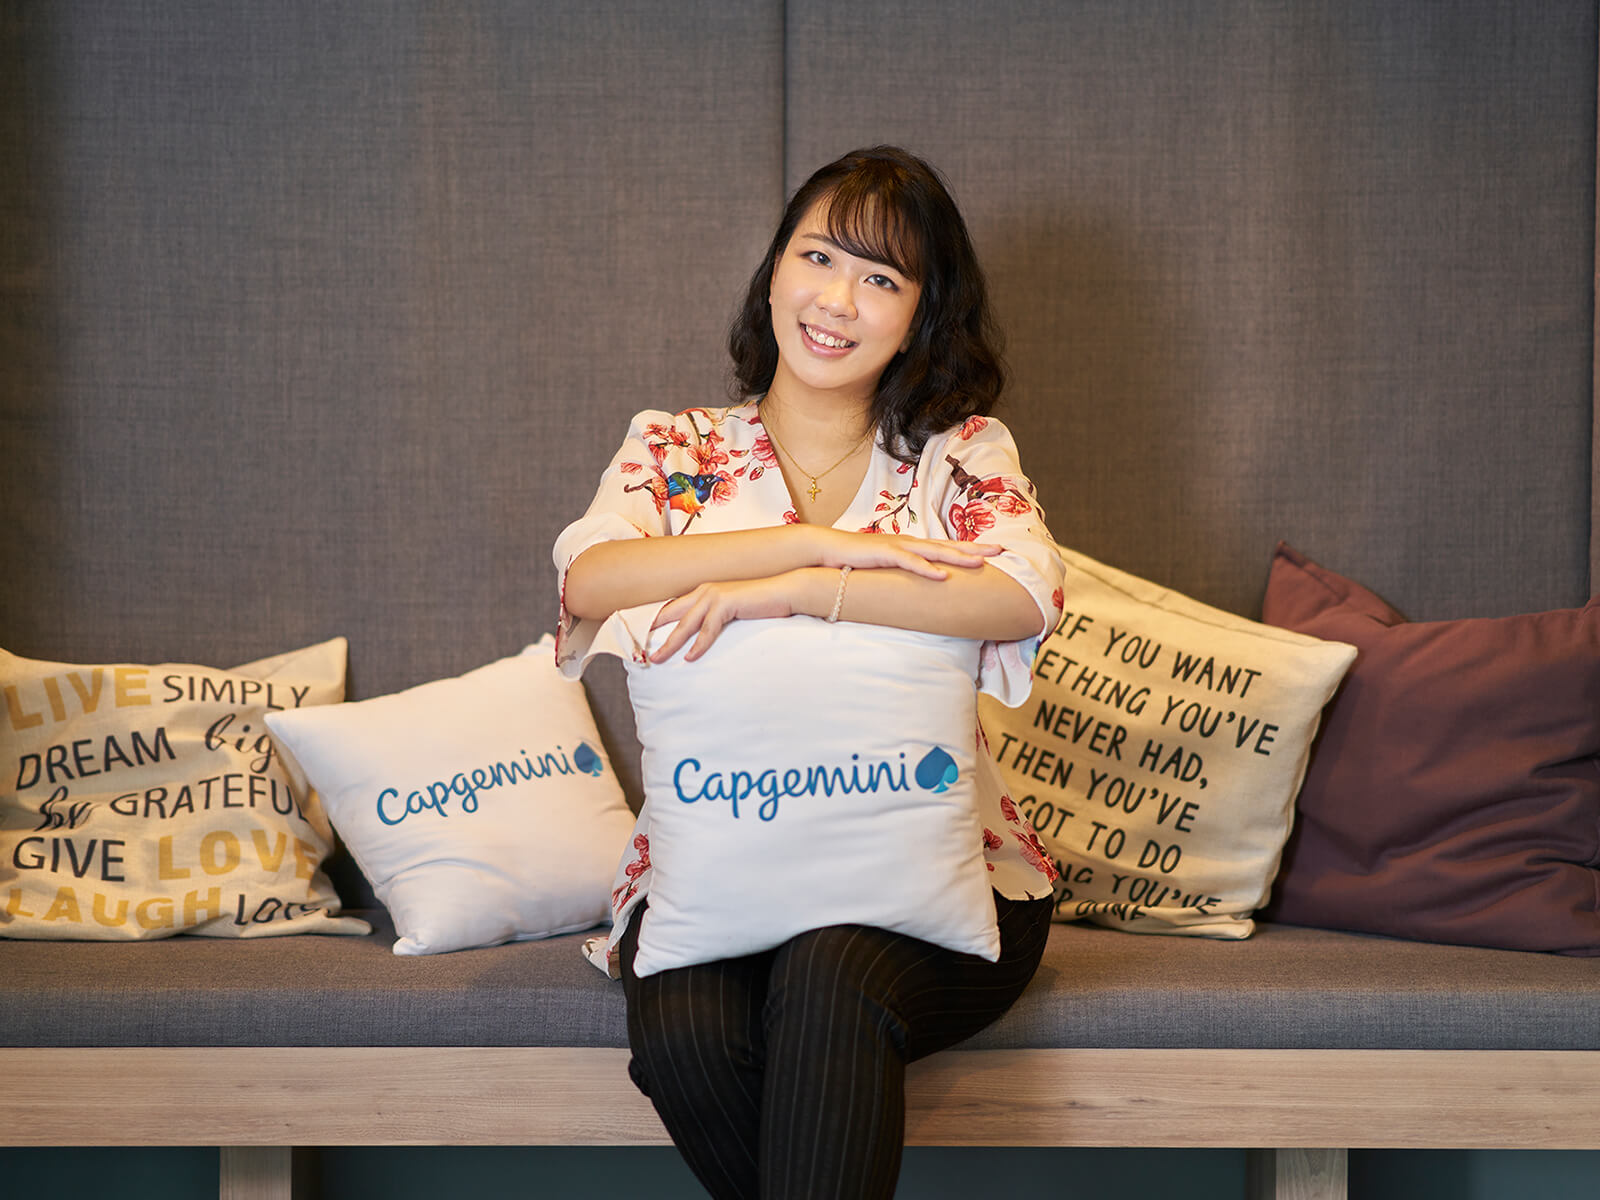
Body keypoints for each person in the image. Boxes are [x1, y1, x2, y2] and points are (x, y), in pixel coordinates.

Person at [553, 145, 1065, 1199]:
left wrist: (799, 594)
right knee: (687, 1040)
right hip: (711, 868)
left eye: (881, 278)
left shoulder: (955, 456)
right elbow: (596, 575)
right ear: (774, 269)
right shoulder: (678, 449)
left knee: (832, 975)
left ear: (923, 312)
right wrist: (798, 545)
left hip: (943, 878)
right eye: (818, 256)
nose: (837, 300)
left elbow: (1021, 594)